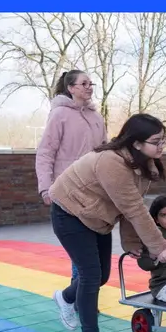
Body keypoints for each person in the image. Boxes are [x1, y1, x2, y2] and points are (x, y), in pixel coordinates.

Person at [47, 113, 166, 332]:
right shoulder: (111, 162)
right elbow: (134, 209)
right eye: (156, 141)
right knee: (90, 274)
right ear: (136, 143)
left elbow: (131, 204)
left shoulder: (142, 163)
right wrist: (159, 247)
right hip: (69, 213)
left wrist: (132, 242)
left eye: (164, 139)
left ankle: (64, 297)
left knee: (101, 275)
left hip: (96, 217)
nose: (162, 145)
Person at [35, 70, 107, 297]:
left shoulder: (97, 118)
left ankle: (77, 297)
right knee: (83, 252)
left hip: (94, 193)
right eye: (84, 83)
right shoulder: (59, 115)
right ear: (71, 88)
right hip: (67, 193)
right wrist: (46, 187)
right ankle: (80, 300)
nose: (89, 87)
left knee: (92, 252)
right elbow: (46, 152)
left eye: (91, 83)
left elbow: (105, 152)